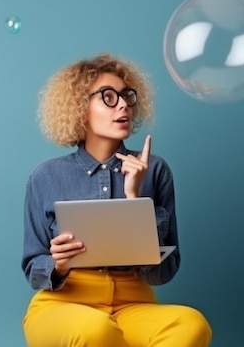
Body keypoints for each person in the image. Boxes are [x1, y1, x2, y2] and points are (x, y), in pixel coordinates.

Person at [21, 53, 212, 347]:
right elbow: (34, 268)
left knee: (191, 326)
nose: (123, 104)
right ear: (80, 107)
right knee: (95, 330)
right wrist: (58, 265)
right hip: (64, 305)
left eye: (127, 96)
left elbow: (164, 272)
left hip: (133, 304)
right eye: (108, 97)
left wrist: (135, 199)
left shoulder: (155, 170)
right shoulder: (45, 176)